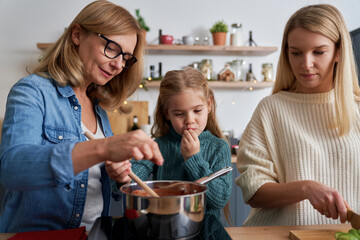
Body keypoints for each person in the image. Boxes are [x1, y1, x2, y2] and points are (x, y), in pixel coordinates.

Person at [0, 0, 163, 233]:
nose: (118, 64)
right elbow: (13, 169)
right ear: (77, 34)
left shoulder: (98, 109)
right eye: (112, 48)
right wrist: (103, 148)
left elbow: (94, 186)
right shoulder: (32, 91)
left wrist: (118, 177)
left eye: (126, 57)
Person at [236, 4, 360, 226]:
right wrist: (306, 188)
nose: (306, 64)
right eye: (296, 53)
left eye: (318, 52)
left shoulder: (357, 109)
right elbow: (252, 192)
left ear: (338, 52)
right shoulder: (271, 109)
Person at [113, 67, 232, 238]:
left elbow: (218, 199)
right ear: (166, 113)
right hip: (164, 228)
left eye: (197, 111)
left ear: (209, 105)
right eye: (179, 113)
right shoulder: (158, 146)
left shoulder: (219, 147)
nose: (190, 120)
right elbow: (128, 182)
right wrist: (122, 175)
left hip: (203, 231)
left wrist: (193, 158)